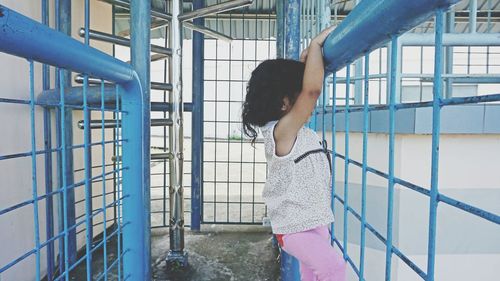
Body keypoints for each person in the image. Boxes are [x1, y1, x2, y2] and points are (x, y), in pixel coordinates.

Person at [241, 26, 346, 281]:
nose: (308, 102)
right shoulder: (281, 131)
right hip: (294, 229)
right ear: (285, 103)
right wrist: (316, 44)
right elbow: (312, 90)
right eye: (299, 95)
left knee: (311, 274)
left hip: (314, 218)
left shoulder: (289, 126)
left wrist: (308, 58)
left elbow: (306, 86)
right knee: (334, 269)